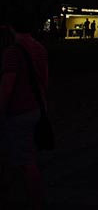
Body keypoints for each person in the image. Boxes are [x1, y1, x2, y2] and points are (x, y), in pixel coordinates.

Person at [0, 11, 49, 210]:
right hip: (36, 109)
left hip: (18, 111)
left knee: (25, 160)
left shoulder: (12, 52)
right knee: (23, 156)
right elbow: (45, 81)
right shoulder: (39, 48)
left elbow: (7, 86)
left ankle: (34, 201)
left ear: (12, 27)